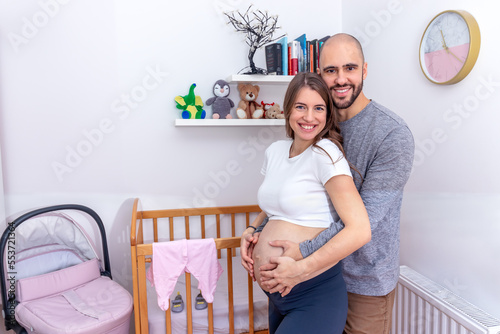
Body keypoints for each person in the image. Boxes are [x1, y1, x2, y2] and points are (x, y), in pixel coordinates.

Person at [241, 33, 415, 334]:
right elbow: (293, 196)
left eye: (350, 68)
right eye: (331, 70)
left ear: (365, 70)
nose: (340, 78)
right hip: (302, 279)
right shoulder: (317, 123)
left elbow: (363, 224)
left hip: (362, 282)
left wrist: (300, 255)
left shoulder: (391, 135)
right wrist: (256, 231)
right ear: (319, 73)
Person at [245, 71, 371, 334]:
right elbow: (275, 204)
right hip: (278, 295)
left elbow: (360, 230)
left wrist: (300, 269)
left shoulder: (325, 153)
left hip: (314, 293)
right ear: (288, 108)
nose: (309, 117)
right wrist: (252, 230)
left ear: (327, 114)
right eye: (301, 107)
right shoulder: (276, 151)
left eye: (319, 108)